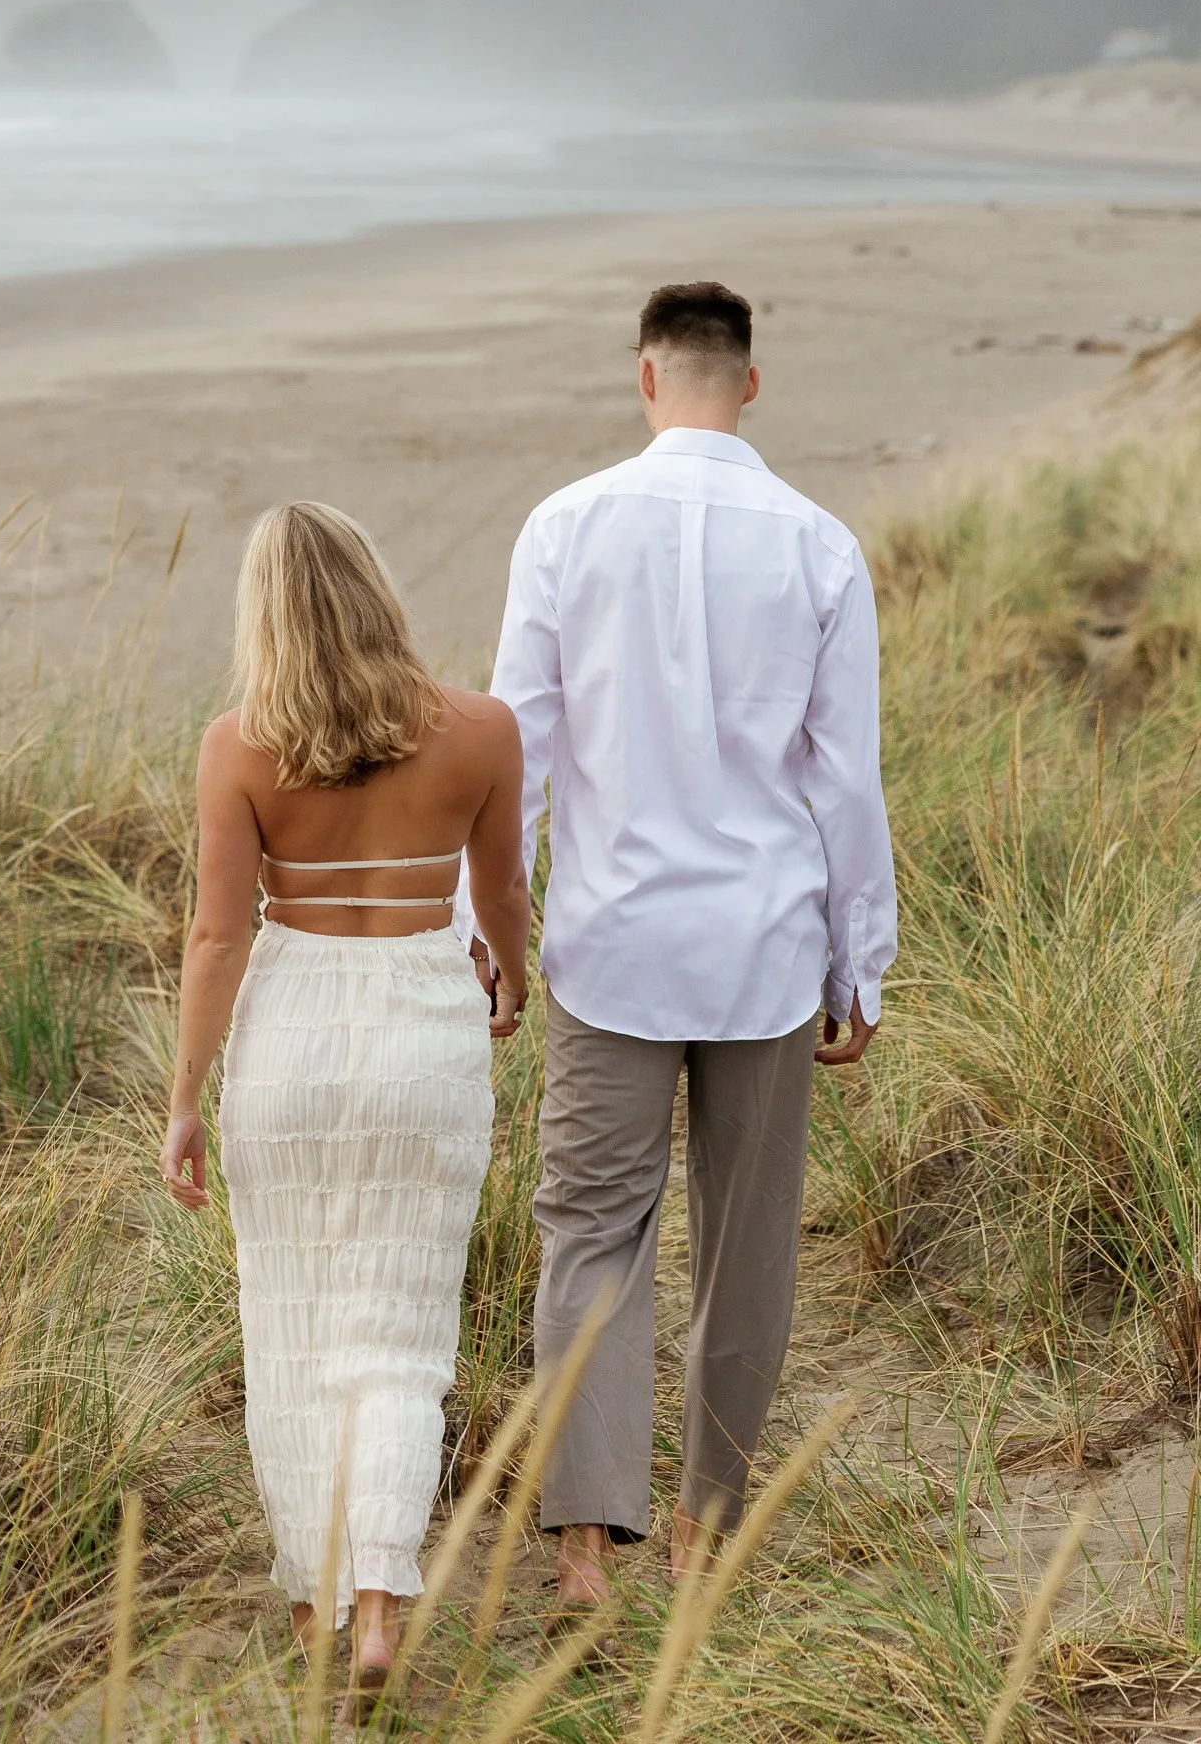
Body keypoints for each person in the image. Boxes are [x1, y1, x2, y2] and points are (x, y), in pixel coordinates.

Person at [453, 279, 895, 1606]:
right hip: (765, 949)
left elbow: (519, 749)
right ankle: (706, 1529)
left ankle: (585, 1545)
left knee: (592, 1231)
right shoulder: (821, 545)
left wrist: (487, 931)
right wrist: (860, 959)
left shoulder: (564, 525)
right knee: (747, 1248)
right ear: (747, 383)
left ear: (646, 377)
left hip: (612, 946)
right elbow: (844, 780)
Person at [161, 501, 530, 1703]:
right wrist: (512, 976)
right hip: (422, 1026)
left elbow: (218, 936)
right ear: (376, 591)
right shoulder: (481, 730)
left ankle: (320, 1596)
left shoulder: (238, 747)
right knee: (401, 1336)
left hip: (294, 1040)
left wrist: (184, 1099)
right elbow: (502, 896)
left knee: (295, 1329)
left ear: (264, 615)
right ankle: (381, 1605)